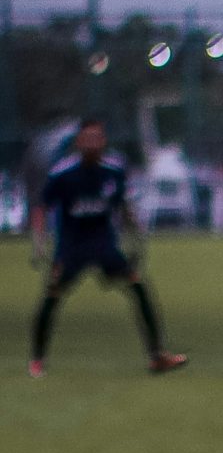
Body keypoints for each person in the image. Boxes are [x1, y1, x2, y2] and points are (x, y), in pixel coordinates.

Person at [28, 119, 184, 378]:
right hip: (71, 246)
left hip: (103, 244)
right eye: (86, 138)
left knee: (138, 286)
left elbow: (123, 206)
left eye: (96, 138)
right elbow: (41, 206)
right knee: (52, 295)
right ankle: (37, 359)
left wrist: (135, 234)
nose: (91, 143)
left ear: (103, 141)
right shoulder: (63, 174)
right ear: (78, 142)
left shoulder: (113, 171)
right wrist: (39, 243)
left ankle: (157, 356)